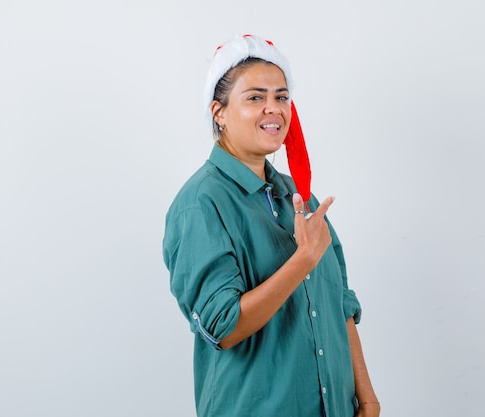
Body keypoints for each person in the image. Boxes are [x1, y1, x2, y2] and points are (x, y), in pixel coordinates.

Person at [163, 34, 380, 417]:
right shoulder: (201, 204)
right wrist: (302, 260)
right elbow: (224, 327)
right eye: (255, 97)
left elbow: (340, 304)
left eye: (281, 97)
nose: (273, 109)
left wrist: (367, 398)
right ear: (219, 112)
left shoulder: (300, 198)